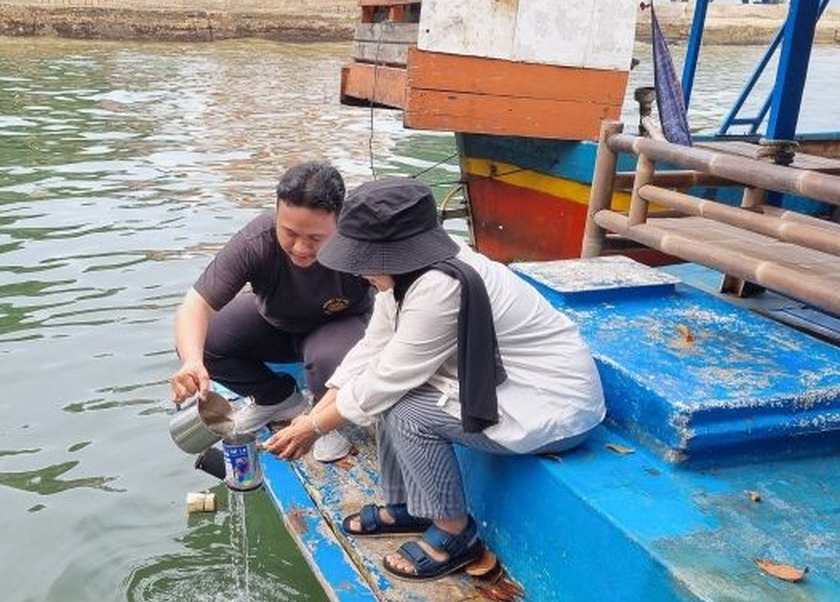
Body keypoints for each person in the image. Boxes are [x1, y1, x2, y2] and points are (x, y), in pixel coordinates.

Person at [266, 178, 605, 580]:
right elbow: (372, 350)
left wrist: (313, 428)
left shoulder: (440, 287)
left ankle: (454, 534)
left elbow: (388, 378)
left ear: (393, 253)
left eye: (364, 258)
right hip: (501, 387)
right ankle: (410, 504)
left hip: (551, 405)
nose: (358, 269)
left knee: (407, 409)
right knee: (390, 395)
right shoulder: (410, 273)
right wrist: (310, 419)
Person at [169, 161, 371, 461]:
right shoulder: (256, 240)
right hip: (276, 323)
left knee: (329, 359)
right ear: (276, 214)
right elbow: (195, 304)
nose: (301, 248)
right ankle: (276, 398)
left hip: (339, 327)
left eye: (315, 238)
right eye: (289, 233)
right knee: (203, 340)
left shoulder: (361, 244)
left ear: (339, 222)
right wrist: (191, 361)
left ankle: (324, 422)